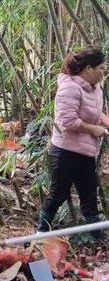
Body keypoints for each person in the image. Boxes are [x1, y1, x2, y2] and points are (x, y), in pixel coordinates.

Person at [37, 49, 109, 235]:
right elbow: (67, 121)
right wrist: (93, 129)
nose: (104, 71)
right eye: (101, 68)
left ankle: (96, 239)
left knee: (89, 196)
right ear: (88, 68)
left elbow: (95, 112)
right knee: (58, 194)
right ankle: (41, 233)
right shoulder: (70, 88)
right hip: (65, 152)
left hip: (85, 151)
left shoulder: (96, 88)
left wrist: (104, 121)